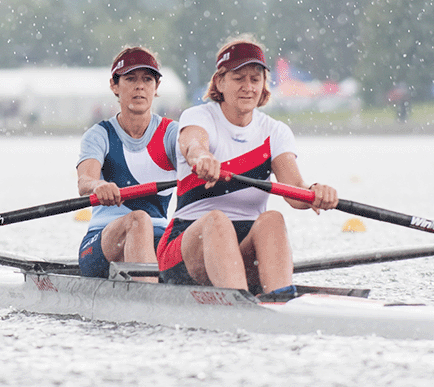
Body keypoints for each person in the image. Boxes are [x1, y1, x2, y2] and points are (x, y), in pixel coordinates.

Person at [156, 36, 339, 296]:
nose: (248, 87)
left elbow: (295, 190)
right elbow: (193, 144)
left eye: (255, 79)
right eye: (238, 78)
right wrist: (201, 158)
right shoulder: (199, 116)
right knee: (217, 221)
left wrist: (316, 192)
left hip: (243, 248)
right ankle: (240, 306)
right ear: (220, 82)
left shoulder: (275, 131)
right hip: (187, 245)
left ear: (264, 84)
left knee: (272, 219)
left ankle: (280, 300)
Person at [76, 46, 180, 283]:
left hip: (159, 238)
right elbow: (84, 181)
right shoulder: (99, 134)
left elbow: (195, 154)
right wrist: (98, 185)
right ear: (114, 85)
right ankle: (150, 306)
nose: (140, 86)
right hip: (101, 244)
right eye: (130, 79)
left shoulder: (172, 133)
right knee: (138, 219)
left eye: (147, 79)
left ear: (156, 87)